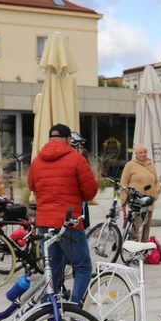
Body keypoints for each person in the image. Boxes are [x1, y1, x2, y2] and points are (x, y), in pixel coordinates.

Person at [27, 123, 99, 304]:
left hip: (45, 223)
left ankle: (48, 314)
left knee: (52, 269)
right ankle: (76, 313)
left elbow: (31, 186)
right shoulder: (76, 159)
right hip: (69, 223)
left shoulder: (37, 161)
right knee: (82, 267)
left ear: (50, 139)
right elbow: (90, 192)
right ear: (68, 139)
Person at [120, 142, 160, 242]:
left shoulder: (151, 164)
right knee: (136, 225)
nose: (143, 154)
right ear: (136, 154)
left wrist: (156, 192)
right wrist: (123, 200)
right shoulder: (130, 165)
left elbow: (156, 180)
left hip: (149, 200)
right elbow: (124, 183)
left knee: (146, 226)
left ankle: (144, 248)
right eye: (141, 152)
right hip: (136, 201)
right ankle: (133, 246)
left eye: (145, 152)